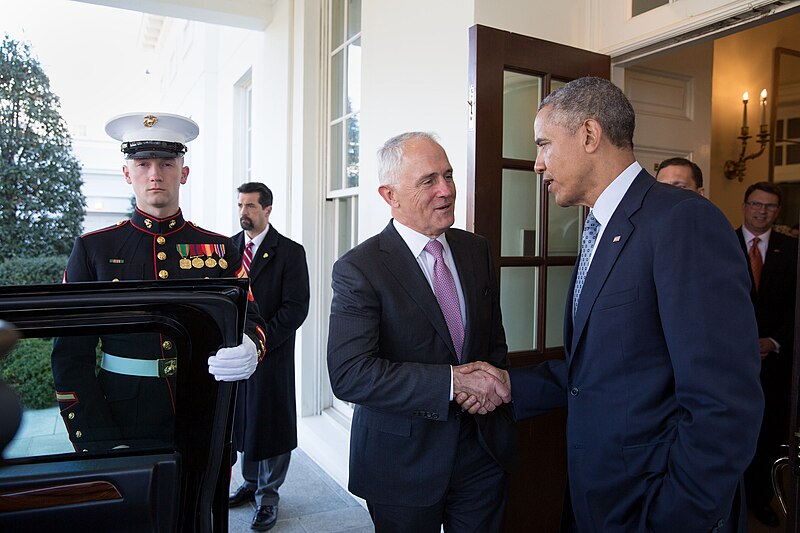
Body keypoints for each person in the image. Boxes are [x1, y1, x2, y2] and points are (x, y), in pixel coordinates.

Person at [465, 77, 763, 531]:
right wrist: (510, 385)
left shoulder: (684, 221)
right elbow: (610, 366)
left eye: (543, 144)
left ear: (589, 134)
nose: (537, 164)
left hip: (654, 508)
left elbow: (724, 402)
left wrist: (672, 517)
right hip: (598, 499)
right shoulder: (601, 228)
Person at [326, 132, 516, 532]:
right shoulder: (359, 268)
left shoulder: (476, 249)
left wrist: (489, 391)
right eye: (428, 180)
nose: (446, 190)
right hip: (401, 463)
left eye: (447, 175)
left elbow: (493, 342)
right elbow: (349, 374)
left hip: (481, 452)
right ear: (390, 195)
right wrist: (451, 383)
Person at [51, 112, 267, 452]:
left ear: (183, 173)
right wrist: (98, 437)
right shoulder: (94, 249)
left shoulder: (220, 248)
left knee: (202, 505)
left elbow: (251, 318)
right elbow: (70, 356)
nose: (154, 174)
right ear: (127, 173)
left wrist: (250, 346)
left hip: (205, 410)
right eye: (142, 164)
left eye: (166, 163)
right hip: (122, 417)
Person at [228, 182, 310, 531]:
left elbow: (296, 308)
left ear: (268, 210)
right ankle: (250, 484)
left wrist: (259, 343)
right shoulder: (226, 249)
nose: (244, 212)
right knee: (243, 422)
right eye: (241, 205)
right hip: (233, 357)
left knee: (271, 425)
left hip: (271, 354)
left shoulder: (290, 252)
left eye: (250, 206)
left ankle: (269, 497)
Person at [736, 181, 798, 527]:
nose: (762, 211)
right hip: (729, 362)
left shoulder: (792, 249)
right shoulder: (721, 242)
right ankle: (730, 499)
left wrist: (774, 341)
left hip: (774, 363)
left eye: (770, 206)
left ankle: (761, 499)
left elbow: (797, 308)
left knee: (768, 434)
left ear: (778, 211)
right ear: (745, 205)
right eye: (756, 204)